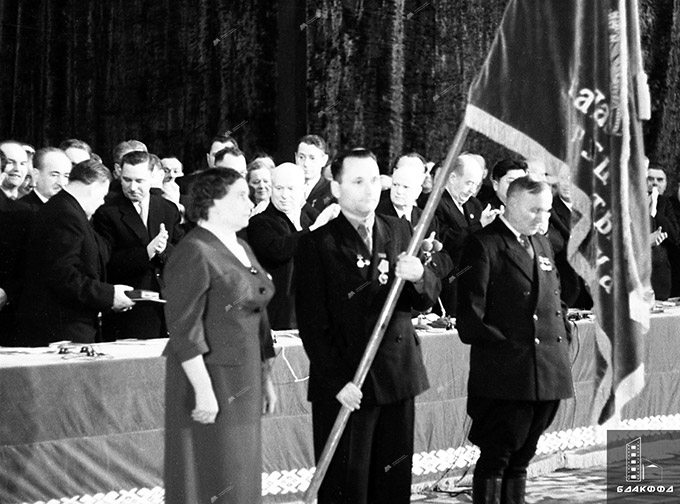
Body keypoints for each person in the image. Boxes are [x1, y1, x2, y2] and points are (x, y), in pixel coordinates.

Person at [295, 148, 441, 503]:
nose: (369, 189)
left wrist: (420, 277)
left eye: (375, 179)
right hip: (349, 384)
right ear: (336, 187)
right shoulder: (318, 244)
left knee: (391, 487)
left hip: (395, 377)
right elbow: (313, 324)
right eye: (358, 181)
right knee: (347, 488)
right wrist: (337, 381)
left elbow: (424, 298)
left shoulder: (401, 230)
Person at [163, 168, 277, 504]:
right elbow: (184, 328)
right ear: (211, 203)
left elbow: (259, 312)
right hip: (210, 379)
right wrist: (203, 392)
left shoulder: (239, 245)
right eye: (240, 195)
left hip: (244, 377)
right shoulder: (194, 250)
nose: (251, 201)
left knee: (241, 472)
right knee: (214, 472)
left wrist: (266, 376)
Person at [457, 177, 574, 504]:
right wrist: (510, 349)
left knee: (523, 457)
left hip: (547, 370)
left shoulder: (542, 243)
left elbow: (555, 296)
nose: (542, 218)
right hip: (507, 374)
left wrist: (562, 328)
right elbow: (470, 316)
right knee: (498, 455)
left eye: (547, 211)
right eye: (534, 210)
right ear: (509, 203)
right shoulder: (484, 244)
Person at [15, 159, 135, 346]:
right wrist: (109, 295)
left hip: (67, 326)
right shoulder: (65, 214)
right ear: (94, 188)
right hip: (62, 329)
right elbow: (62, 275)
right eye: (103, 195)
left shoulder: (68, 210)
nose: (103, 201)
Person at [93, 151, 184, 340]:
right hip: (131, 311)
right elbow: (106, 262)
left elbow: (183, 256)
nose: (132, 187)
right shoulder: (107, 210)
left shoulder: (168, 209)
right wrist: (147, 252)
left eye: (139, 181)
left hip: (168, 308)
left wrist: (163, 249)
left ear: (153, 177)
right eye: (127, 180)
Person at [248, 162, 338, 329]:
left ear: (303, 190)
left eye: (291, 189)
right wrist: (315, 229)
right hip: (281, 316)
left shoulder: (310, 219)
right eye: (279, 188)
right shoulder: (260, 222)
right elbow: (278, 249)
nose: (284, 195)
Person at [435, 153, 500, 315]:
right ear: (452, 178)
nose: (472, 190)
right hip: (450, 281)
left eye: (476, 185)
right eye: (468, 183)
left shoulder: (474, 204)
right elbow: (445, 241)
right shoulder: (435, 203)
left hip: (474, 280)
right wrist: (480, 225)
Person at [647, 164, 680, 300]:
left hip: (661, 278)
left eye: (660, 180)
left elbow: (675, 237)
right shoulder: (633, 202)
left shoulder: (668, 204)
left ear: (666, 184)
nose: (655, 183)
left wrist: (656, 212)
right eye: (650, 179)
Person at [296, 134, 335, 211]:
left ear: (324, 160)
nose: (306, 164)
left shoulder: (331, 191)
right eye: (301, 157)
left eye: (312, 158)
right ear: (295, 157)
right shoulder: (287, 186)